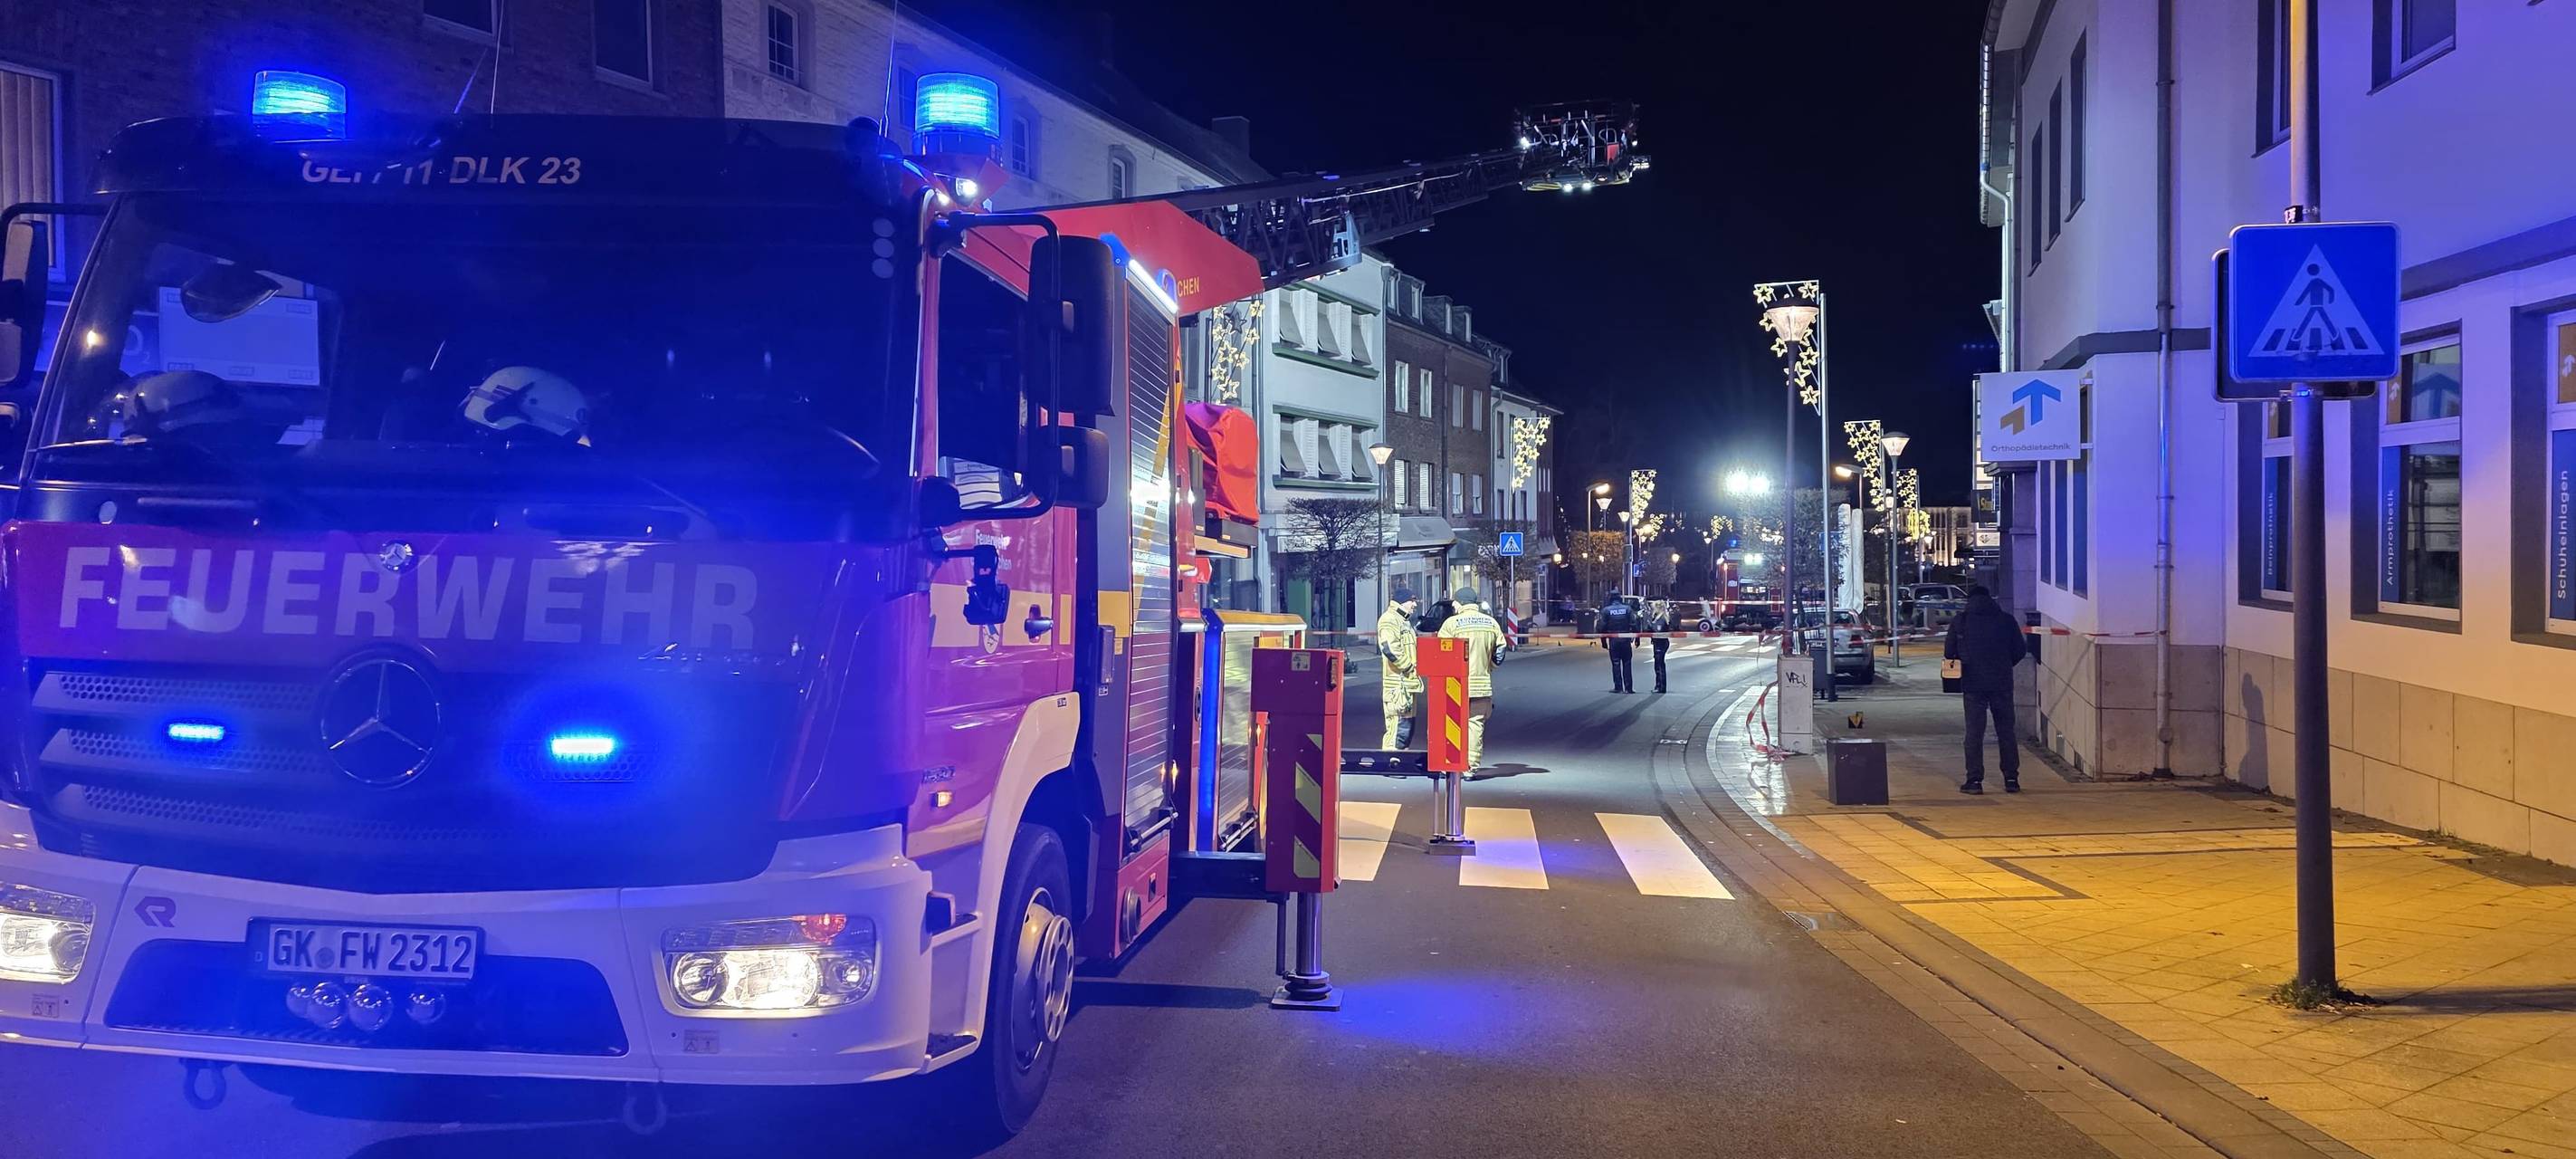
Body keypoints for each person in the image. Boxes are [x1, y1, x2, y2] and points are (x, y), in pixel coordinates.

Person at [1943, 584, 2034, 794]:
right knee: (2006, 732)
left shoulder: (1961, 621)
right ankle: (2011, 779)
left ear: (1970, 600)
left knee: (1974, 733)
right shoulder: (2006, 620)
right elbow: (2020, 650)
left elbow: (1949, 653)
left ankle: (1974, 780)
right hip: (2002, 683)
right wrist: (2003, 665)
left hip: (1972, 684)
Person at [1438, 590, 1506, 771]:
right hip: (1481, 685)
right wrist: (1488, 666)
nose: (1453, 606)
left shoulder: (1451, 624)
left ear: (1460, 603)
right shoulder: (1491, 623)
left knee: (1452, 723)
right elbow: (1500, 651)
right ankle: (1471, 767)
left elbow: (1441, 654)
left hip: (1455, 685)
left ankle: (1451, 764)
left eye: (1454, 603)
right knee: (1475, 724)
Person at [1376, 588, 1423, 749]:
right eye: (1413, 601)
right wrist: (1408, 667)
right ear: (1403, 601)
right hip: (1397, 683)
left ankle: (1400, 757)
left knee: (1406, 724)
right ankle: (1391, 759)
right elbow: (1390, 648)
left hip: (1406, 683)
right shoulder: (1389, 619)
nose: (1415, 605)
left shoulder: (1403, 621)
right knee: (1397, 724)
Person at [1598, 593, 1639, 694]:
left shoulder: (1606, 610)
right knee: (1627, 663)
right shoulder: (1628, 609)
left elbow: (1602, 628)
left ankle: (1618, 687)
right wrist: (1638, 639)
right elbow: (1634, 625)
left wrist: (1603, 642)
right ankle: (1629, 688)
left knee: (1616, 663)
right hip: (1625, 639)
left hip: (1613, 640)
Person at [1646, 599, 1674, 694]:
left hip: (1661, 643)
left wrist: (1650, 624)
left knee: (1660, 666)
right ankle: (1658, 685)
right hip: (1658, 643)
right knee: (1658, 665)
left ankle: (1661, 687)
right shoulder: (1659, 617)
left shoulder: (1661, 619)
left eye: (1653, 608)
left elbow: (1658, 631)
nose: (1652, 610)